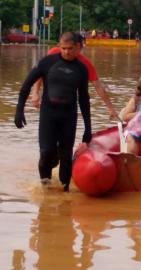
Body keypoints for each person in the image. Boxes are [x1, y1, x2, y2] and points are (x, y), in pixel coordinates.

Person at [14, 32, 91, 191]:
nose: (66, 52)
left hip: (68, 115)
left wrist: (88, 129)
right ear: (59, 46)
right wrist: (19, 110)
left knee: (65, 155)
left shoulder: (82, 69)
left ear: (78, 47)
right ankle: (45, 188)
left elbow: (84, 99)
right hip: (49, 113)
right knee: (46, 152)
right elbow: (27, 84)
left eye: (70, 48)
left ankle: (64, 193)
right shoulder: (48, 62)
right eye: (63, 48)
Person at [30, 35, 119, 121]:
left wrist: (111, 109)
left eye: (80, 47)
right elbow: (40, 72)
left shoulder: (85, 64)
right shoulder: (54, 53)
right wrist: (35, 92)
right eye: (66, 48)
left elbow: (98, 86)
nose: (68, 52)